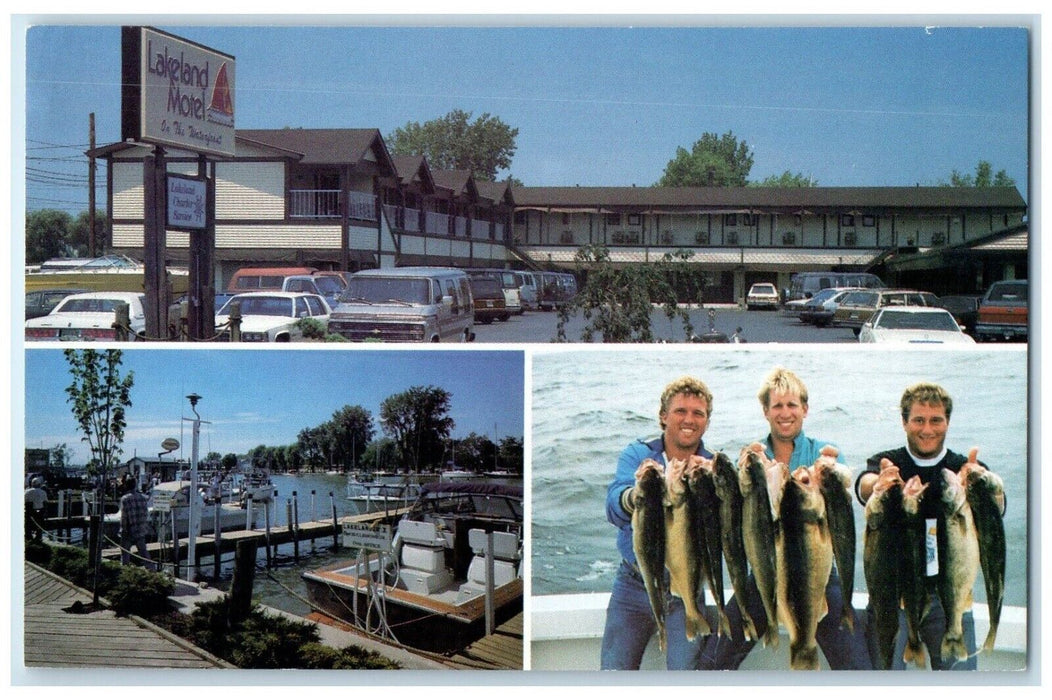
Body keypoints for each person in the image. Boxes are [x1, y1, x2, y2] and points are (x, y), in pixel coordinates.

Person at [699, 367, 872, 669]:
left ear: (805, 409)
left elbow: (843, 482)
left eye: (792, 405)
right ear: (765, 411)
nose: (785, 413)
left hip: (818, 574)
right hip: (766, 574)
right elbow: (732, 514)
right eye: (777, 405)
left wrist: (836, 473)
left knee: (859, 667)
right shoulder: (754, 459)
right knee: (712, 662)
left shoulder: (823, 453)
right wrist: (740, 477)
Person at [856, 382, 997, 671]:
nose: (927, 429)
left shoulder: (961, 469)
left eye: (936, 420)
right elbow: (865, 484)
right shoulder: (889, 463)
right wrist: (877, 484)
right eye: (918, 420)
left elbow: (997, 505)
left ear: (947, 422)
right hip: (893, 595)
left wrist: (987, 484)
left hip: (948, 594)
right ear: (904, 422)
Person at [600, 376, 716, 669]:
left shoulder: (712, 466)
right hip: (633, 584)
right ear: (663, 416)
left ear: (706, 421)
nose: (689, 419)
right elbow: (614, 505)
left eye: (698, 413)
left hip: (686, 587)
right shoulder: (638, 455)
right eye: (680, 411)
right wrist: (636, 496)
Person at [119, 475, 153, 568]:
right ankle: (152, 571)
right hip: (140, 530)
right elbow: (145, 514)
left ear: (126, 485)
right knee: (144, 554)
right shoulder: (143, 498)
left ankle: (125, 571)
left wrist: (123, 530)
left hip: (129, 531)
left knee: (125, 554)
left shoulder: (125, 499)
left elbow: (124, 517)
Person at [24, 477, 48, 542]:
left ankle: (29, 538)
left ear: (32, 484)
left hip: (30, 511)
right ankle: (38, 538)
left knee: (28, 525)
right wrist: (45, 512)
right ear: (39, 484)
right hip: (40, 511)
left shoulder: (27, 491)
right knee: (39, 525)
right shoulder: (43, 492)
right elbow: (45, 503)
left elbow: (24, 502)